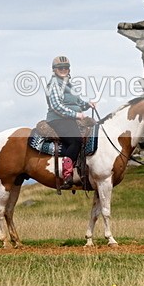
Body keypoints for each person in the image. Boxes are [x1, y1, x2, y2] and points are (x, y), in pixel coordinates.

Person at [45, 55, 97, 187]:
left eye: (66, 67)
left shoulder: (68, 84)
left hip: (71, 118)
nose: (63, 69)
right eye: (60, 68)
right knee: (76, 140)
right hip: (58, 119)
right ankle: (67, 176)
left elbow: (77, 102)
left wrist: (87, 104)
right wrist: (76, 115)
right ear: (54, 70)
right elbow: (57, 106)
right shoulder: (54, 84)